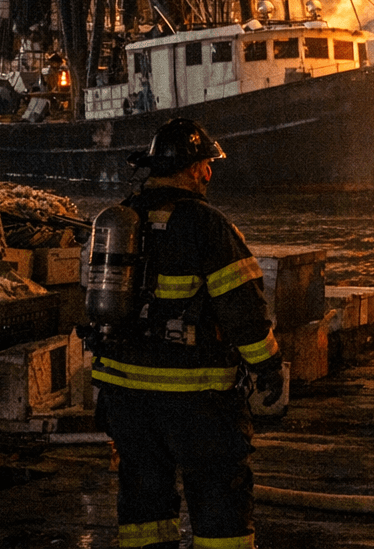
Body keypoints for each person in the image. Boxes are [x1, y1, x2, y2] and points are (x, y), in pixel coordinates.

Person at [89, 118, 284, 549]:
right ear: (197, 169)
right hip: (196, 401)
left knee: (142, 501)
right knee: (219, 501)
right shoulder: (207, 225)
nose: (209, 174)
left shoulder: (123, 219)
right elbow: (244, 310)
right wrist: (268, 365)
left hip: (124, 396)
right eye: (206, 165)